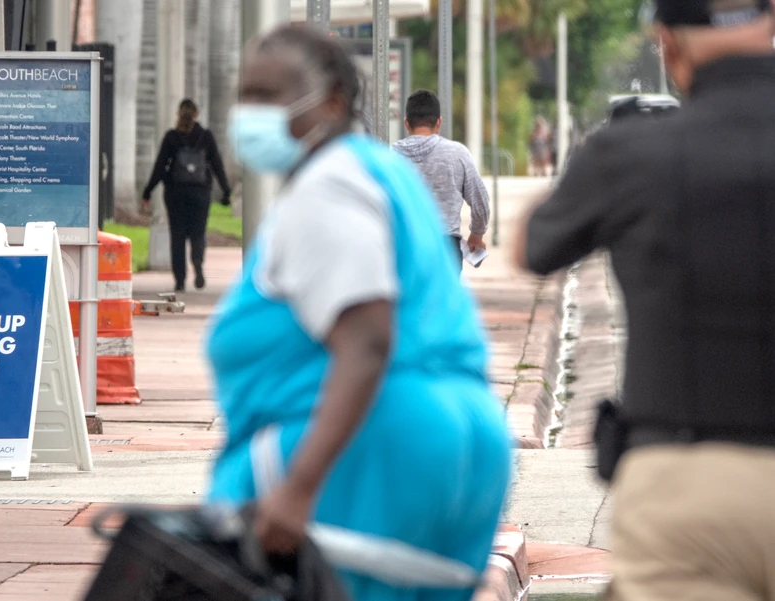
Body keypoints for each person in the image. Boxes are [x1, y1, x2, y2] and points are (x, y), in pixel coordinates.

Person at [206, 25, 511, 601]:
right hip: (460, 441)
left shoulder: (330, 186)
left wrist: (297, 488)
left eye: (268, 95)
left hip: (363, 454)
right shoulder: (382, 174)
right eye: (245, 94)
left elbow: (368, 340)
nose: (250, 112)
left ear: (333, 103)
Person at [515, 1, 775, 599]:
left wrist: (584, 174)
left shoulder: (630, 155)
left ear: (667, 45)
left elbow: (535, 247)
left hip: (686, 494)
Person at [393, 90, 490, 272]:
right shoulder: (457, 153)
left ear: (406, 123)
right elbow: (481, 202)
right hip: (445, 247)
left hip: (403, 245)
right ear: (439, 122)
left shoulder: (390, 156)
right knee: (442, 300)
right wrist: (477, 234)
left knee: (408, 300)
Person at [142, 99, 231, 292]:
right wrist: (226, 190)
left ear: (179, 114)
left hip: (175, 193)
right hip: (200, 192)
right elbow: (217, 165)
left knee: (178, 236)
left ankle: (180, 280)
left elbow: (159, 167)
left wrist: (148, 191)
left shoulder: (172, 137)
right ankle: (198, 262)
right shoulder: (206, 136)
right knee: (198, 232)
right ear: (197, 114)